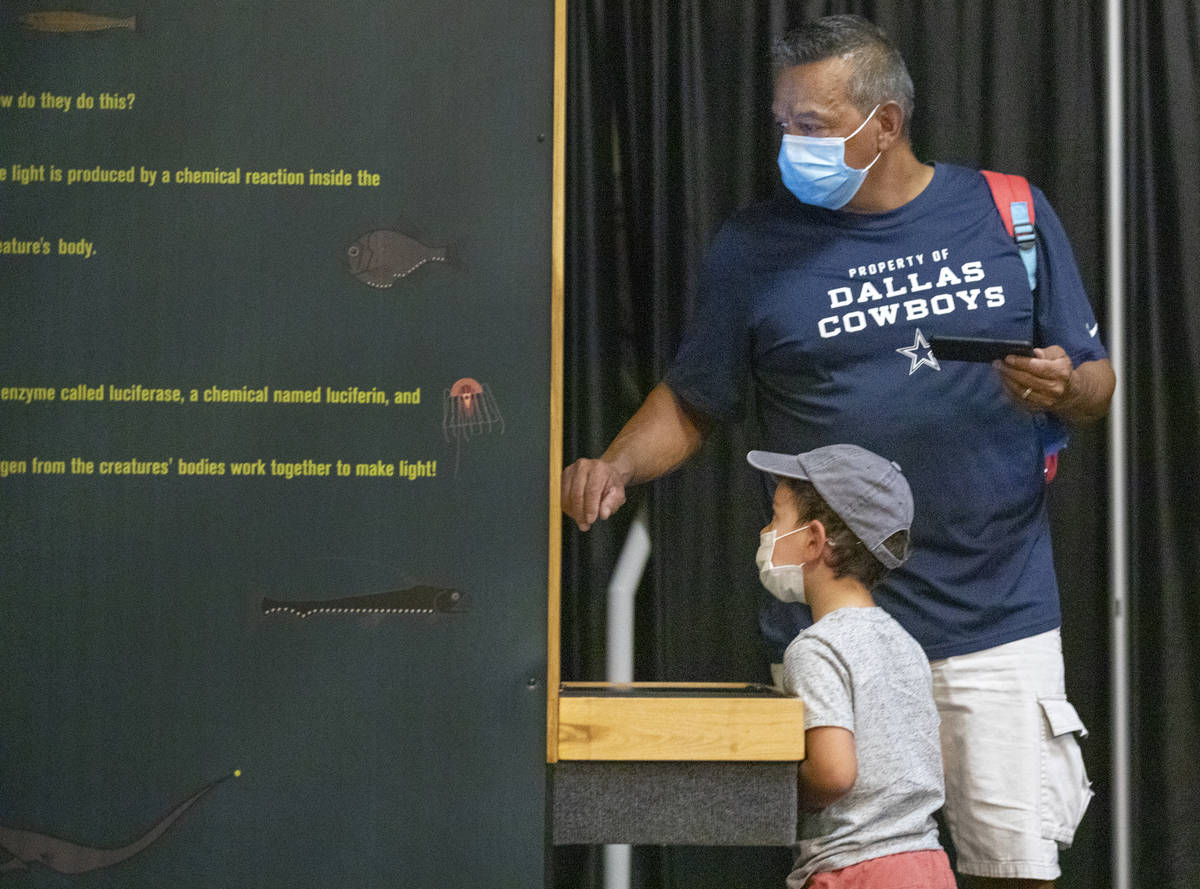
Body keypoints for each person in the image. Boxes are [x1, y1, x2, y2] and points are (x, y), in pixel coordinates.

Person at [561, 14, 1114, 888]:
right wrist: (616, 464)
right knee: (856, 873)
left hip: (993, 618)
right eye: (782, 123)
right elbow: (694, 396)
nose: (789, 144)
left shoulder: (1007, 211)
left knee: (1016, 869)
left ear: (883, 124)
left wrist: (1066, 384)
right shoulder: (754, 246)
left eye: (811, 127)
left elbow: (1093, 380)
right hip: (836, 636)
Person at [749, 443, 955, 889]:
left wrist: (772, 793)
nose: (766, 530)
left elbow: (834, 773)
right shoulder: (906, 644)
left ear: (814, 541)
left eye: (777, 517)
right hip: (928, 865)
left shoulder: (816, 649)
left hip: (857, 872)